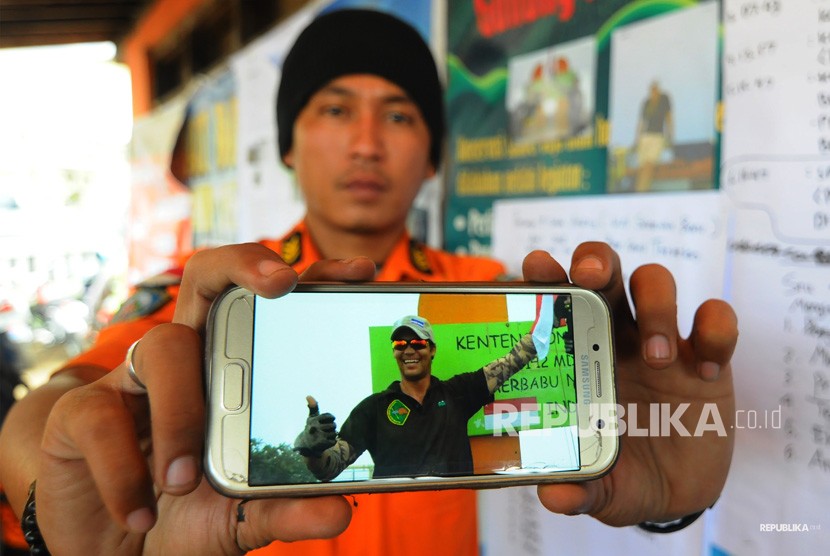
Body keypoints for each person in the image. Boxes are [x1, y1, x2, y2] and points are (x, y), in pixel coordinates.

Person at [0, 8, 738, 555]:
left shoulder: (490, 294)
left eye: (398, 114)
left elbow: (541, 391)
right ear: (289, 143)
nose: (365, 142)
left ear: (433, 157)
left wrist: (661, 480)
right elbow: (64, 402)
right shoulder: (203, 303)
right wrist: (60, 493)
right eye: (334, 110)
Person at [295, 315, 538, 480]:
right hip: (397, 521)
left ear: (432, 350)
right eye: (400, 344)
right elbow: (330, 468)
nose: (409, 350)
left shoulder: (456, 392)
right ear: (394, 352)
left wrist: (546, 322)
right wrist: (312, 450)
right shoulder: (373, 408)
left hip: (455, 514)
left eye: (418, 343)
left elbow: (511, 362)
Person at [633, 80, 674, 192]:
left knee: (649, 165)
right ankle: (640, 192)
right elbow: (641, 122)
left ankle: (641, 192)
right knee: (642, 167)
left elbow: (668, 117)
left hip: (657, 136)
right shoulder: (646, 102)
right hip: (645, 137)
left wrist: (671, 135)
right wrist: (637, 140)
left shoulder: (664, 99)